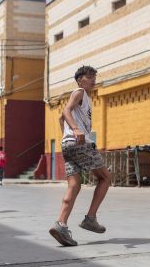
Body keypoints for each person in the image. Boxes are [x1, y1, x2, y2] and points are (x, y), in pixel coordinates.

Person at [49, 66, 111, 246]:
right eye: (89, 77)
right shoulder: (79, 92)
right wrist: (76, 130)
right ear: (79, 80)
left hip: (67, 146)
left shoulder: (85, 98)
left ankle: (60, 224)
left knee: (74, 185)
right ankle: (90, 218)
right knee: (106, 177)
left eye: (94, 77)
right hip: (79, 144)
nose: (93, 80)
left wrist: (66, 136)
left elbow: (61, 119)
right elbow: (65, 111)